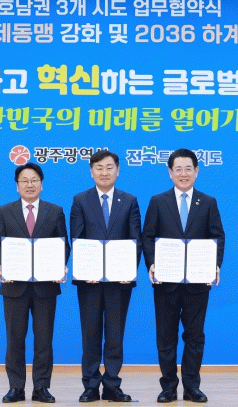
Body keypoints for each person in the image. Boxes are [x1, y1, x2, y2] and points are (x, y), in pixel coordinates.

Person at [142, 148, 225, 404]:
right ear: (170, 172)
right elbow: (147, 236)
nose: (183, 174)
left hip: (197, 283)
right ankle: (168, 387)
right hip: (165, 282)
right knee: (166, 337)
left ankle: (192, 387)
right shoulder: (158, 201)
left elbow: (217, 236)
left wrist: (214, 265)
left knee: (195, 336)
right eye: (178, 169)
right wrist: (152, 263)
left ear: (196, 171)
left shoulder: (208, 202)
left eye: (188, 168)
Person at [0, 162, 71, 404]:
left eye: (34, 180)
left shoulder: (54, 211)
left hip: (46, 286)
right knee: (15, 340)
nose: (29, 185)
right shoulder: (4, 211)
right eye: (24, 181)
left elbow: (63, 244)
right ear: (17, 186)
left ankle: (41, 387)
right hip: (14, 285)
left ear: (41, 185)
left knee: (44, 340)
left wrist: (61, 265)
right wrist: (2, 265)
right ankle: (16, 388)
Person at [69, 150, 142, 402]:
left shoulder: (129, 201)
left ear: (118, 171)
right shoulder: (81, 200)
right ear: (91, 172)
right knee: (90, 333)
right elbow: (76, 238)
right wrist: (83, 269)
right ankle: (90, 385)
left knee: (114, 334)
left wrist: (128, 270)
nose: (104, 172)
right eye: (99, 167)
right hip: (89, 282)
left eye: (109, 167)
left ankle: (112, 384)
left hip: (119, 282)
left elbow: (135, 239)